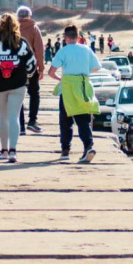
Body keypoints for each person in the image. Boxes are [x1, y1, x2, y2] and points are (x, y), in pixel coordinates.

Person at [0, 14, 38, 163]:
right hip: (18, 85)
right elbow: (32, 64)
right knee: (14, 117)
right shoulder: (21, 43)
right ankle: (13, 150)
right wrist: (27, 76)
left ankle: (3, 151)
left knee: (3, 117)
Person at [48, 24, 100, 163]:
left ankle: (65, 151)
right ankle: (88, 146)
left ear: (65, 38)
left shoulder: (63, 51)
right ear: (78, 37)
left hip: (67, 89)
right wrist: (85, 72)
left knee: (65, 121)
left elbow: (51, 72)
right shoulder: (86, 49)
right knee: (83, 119)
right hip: (83, 87)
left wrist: (61, 78)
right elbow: (97, 67)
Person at [16, 6, 44, 134]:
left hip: (15, 67)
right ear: (30, 16)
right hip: (31, 67)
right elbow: (39, 49)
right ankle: (32, 121)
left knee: (18, 95)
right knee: (34, 94)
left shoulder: (13, 28)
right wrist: (41, 68)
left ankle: (20, 126)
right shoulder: (34, 28)